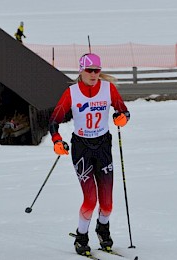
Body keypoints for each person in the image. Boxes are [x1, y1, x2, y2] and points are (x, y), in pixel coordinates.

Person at [49, 53, 130, 256]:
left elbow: (124, 111)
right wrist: (57, 141)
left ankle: (103, 229)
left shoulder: (108, 89)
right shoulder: (72, 92)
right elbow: (53, 121)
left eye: (97, 70)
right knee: (90, 200)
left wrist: (122, 118)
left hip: (103, 146)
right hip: (82, 148)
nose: (94, 74)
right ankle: (81, 236)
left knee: (108, 204)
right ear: (81, 71)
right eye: (89, 70)